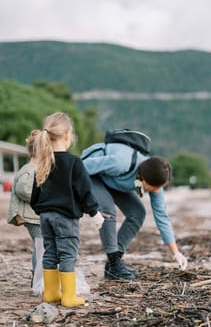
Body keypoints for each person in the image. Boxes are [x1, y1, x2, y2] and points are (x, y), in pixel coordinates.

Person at [81, 140, 188, 280]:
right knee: (108, 209)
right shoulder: (120, 163)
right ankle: (114, 263)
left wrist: (176, 253)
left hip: (113, 180)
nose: (157, 191)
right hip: (93, 175)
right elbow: (80, 166)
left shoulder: (155, 181)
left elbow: (162, 216)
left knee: (137, 213)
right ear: (144, 179)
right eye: (155, 187)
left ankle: (114, 262)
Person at [30, 112, 104, 307]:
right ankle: (69, 296)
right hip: (65, 217)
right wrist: (94, 212)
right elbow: (84, 191)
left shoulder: (44, 161)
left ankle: (51, 293)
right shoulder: (74, 163)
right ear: (67, 135)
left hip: (46, 217)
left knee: (50, 252)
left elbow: (34, 193)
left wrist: (40, 210)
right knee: (68, 253)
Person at [7, 129, 42, 289]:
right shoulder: (29, 169)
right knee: (41, 243)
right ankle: (38, 275)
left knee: (41, 244)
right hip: (30, 216)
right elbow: (23, 189)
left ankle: (39, 275)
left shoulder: (35, 168)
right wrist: (42, 197)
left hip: (34, 214)